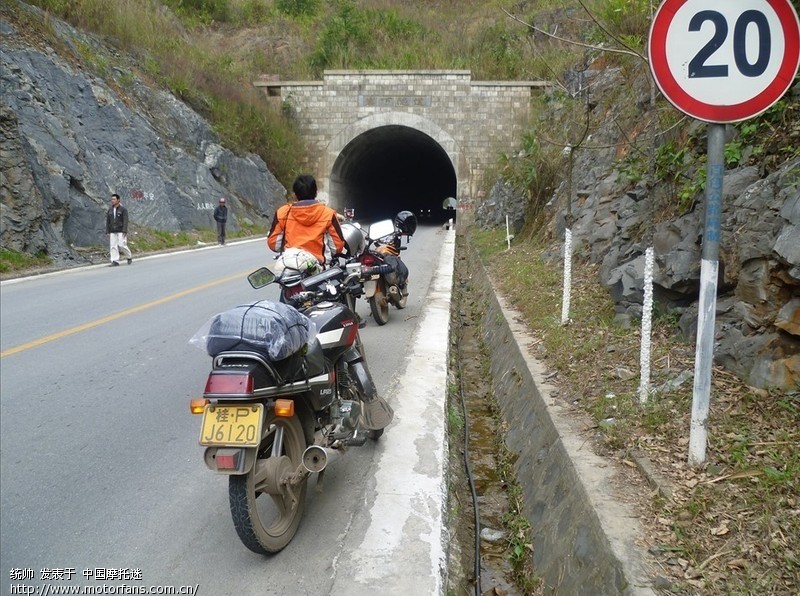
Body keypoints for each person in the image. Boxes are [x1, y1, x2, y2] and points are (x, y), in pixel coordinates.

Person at [267, 174, 346, 265]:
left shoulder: (282, 213)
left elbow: (273, 244)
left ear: (294, 195)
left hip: (291, 267)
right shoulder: (328, 214)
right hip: (319, 269)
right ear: (316, 193)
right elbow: (337, 247)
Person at [105, 193, 132, 266]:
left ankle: (129, 256)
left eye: (114, 199)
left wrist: (125, 230)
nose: (112, 201)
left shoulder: (123, 210)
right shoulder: (110, 210)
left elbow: (125, 220)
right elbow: (108, 221)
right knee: (113, 246)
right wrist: (107, 231)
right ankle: (115, 261)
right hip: (112, 230)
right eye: (112, 199)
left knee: (122, 245)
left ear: (118, 200)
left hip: (121, 230)